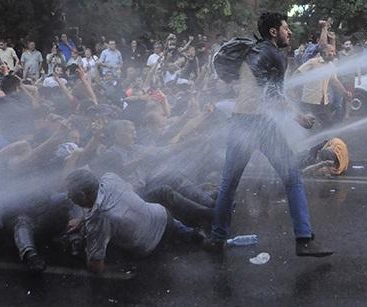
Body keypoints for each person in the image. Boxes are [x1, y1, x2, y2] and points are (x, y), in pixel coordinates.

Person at [206, 11, 333, 257]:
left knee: (228, 184)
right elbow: (273, 96)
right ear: (274, 32)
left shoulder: (250, 51)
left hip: (240, 122)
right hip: (260, 125)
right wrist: (300, 118)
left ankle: (217, 238)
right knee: (292, 178)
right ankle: (304, 239)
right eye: (286, 28)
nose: (290, 32)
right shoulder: (274, 54)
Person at [64, 169, 205, 273]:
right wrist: (82, 219)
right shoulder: (110, 178)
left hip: (151, 246)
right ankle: (193, 235)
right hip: (163, 217)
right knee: (155, 216)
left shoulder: (97, 222)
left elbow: (97, 267)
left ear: (81, 196)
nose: (69, 196)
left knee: (101, 249)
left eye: (71, 192)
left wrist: (86, 256)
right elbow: (123, 193)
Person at [294, 44, 351, 128]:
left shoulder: (331, 66)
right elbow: (297, 73)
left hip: (323, 102)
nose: (334, 53)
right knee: (308, 126)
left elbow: (335, 81)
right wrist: (295, 89)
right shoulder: (313, 62)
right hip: (309, 102)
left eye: (334, 51)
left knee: (326, 126)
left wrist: (345, 92)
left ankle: (324, 139)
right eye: (331, 51)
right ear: (324, 52)